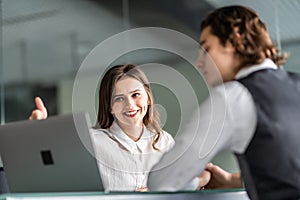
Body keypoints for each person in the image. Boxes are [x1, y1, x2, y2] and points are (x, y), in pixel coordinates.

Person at [148, 5, 300, 200]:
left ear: (234, 39)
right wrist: (233, 181)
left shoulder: (233, 97)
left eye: (206, 48)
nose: (199, 62)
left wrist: (198, 180)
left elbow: (163, 180)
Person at [30, 64, 211, 191]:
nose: (130, 105)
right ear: (109, 107)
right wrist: (39, 133)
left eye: (135, 95)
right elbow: (53, 171)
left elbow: (183, 185)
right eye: (119, 99)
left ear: (148, 97)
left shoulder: (164, 141)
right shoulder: (92, 141)